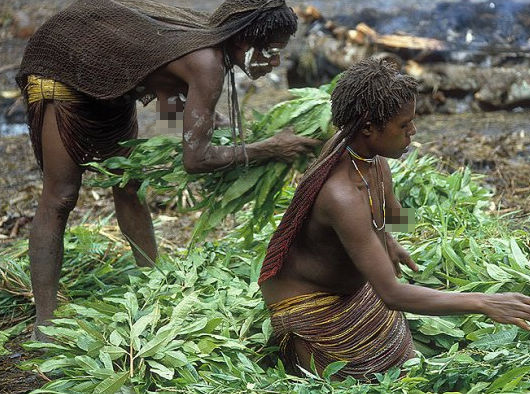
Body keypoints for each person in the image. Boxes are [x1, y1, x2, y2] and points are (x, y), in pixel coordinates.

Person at [16, 0, 319, 341]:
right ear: (242, 43)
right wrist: (269, 148)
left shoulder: (209, 47)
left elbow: (163, 88)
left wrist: (205, 121)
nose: (276, 62)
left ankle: (152, 281)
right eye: (271, 52)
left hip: (108, 80)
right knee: (60, 197)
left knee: (128, 183)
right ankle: (45, 323)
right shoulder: (208, 60)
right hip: (63, 64)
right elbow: (196, 159)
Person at [259, 58, 530, 380]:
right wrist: (485, 302)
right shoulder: (342, 196)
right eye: (404, 125)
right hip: (311, 303)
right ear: (369, 127)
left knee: (404, 361)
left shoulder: (370, 157)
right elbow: (392, 294)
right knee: (368, 379)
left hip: (355, 289)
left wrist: (393, 238)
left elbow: (391, 207)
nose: (412, 132)